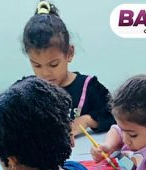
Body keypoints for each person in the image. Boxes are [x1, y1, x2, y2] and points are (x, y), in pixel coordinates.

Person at [21, 1, 114, 134]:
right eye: (37, 65)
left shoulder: (89, 87)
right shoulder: (25, 90)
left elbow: (117, 115)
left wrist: (88, 120)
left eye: (53, 64)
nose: (45, 73)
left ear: (69, 53)